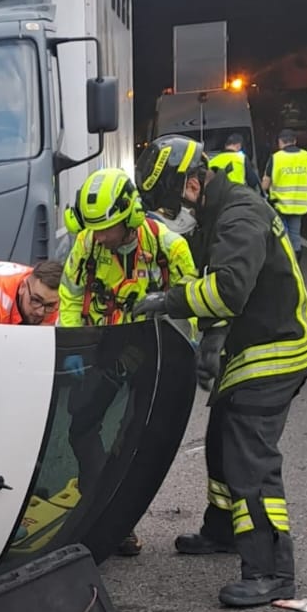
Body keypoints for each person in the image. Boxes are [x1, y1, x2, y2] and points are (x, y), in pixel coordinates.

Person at [131, 134, 307, 607]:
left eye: (171, 203)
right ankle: (222, 529)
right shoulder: (216, 212)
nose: (171, 215)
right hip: (250, 342)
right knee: (219, 440)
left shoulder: (240, 216)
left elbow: (229, 289)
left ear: (193, 185)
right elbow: (210, 283)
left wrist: (166, 303)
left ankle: (272, 571)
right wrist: (210, 338)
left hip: (275, 349)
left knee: (248, 458)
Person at [57, 167, 198, 556]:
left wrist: (192, 352)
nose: (99, 237)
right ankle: (95, 511)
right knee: (80, 429)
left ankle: (119, 524)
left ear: (131, 217)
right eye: (95, 230)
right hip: (101, 351)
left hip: (149, 356)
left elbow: (193, 303)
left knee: (132, 443)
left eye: (107, 229)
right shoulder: (86, 245)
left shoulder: (169, 247)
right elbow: (70, 297)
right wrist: (72, 347)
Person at [262, 129, 307, 257]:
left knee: (281, 236)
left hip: (279, 205)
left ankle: (284, 264)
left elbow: (265, 184)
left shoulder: (275, 158)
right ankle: (295, 264)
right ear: (295, 141)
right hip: (299, 204)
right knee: (295, 236)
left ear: (280, 142)